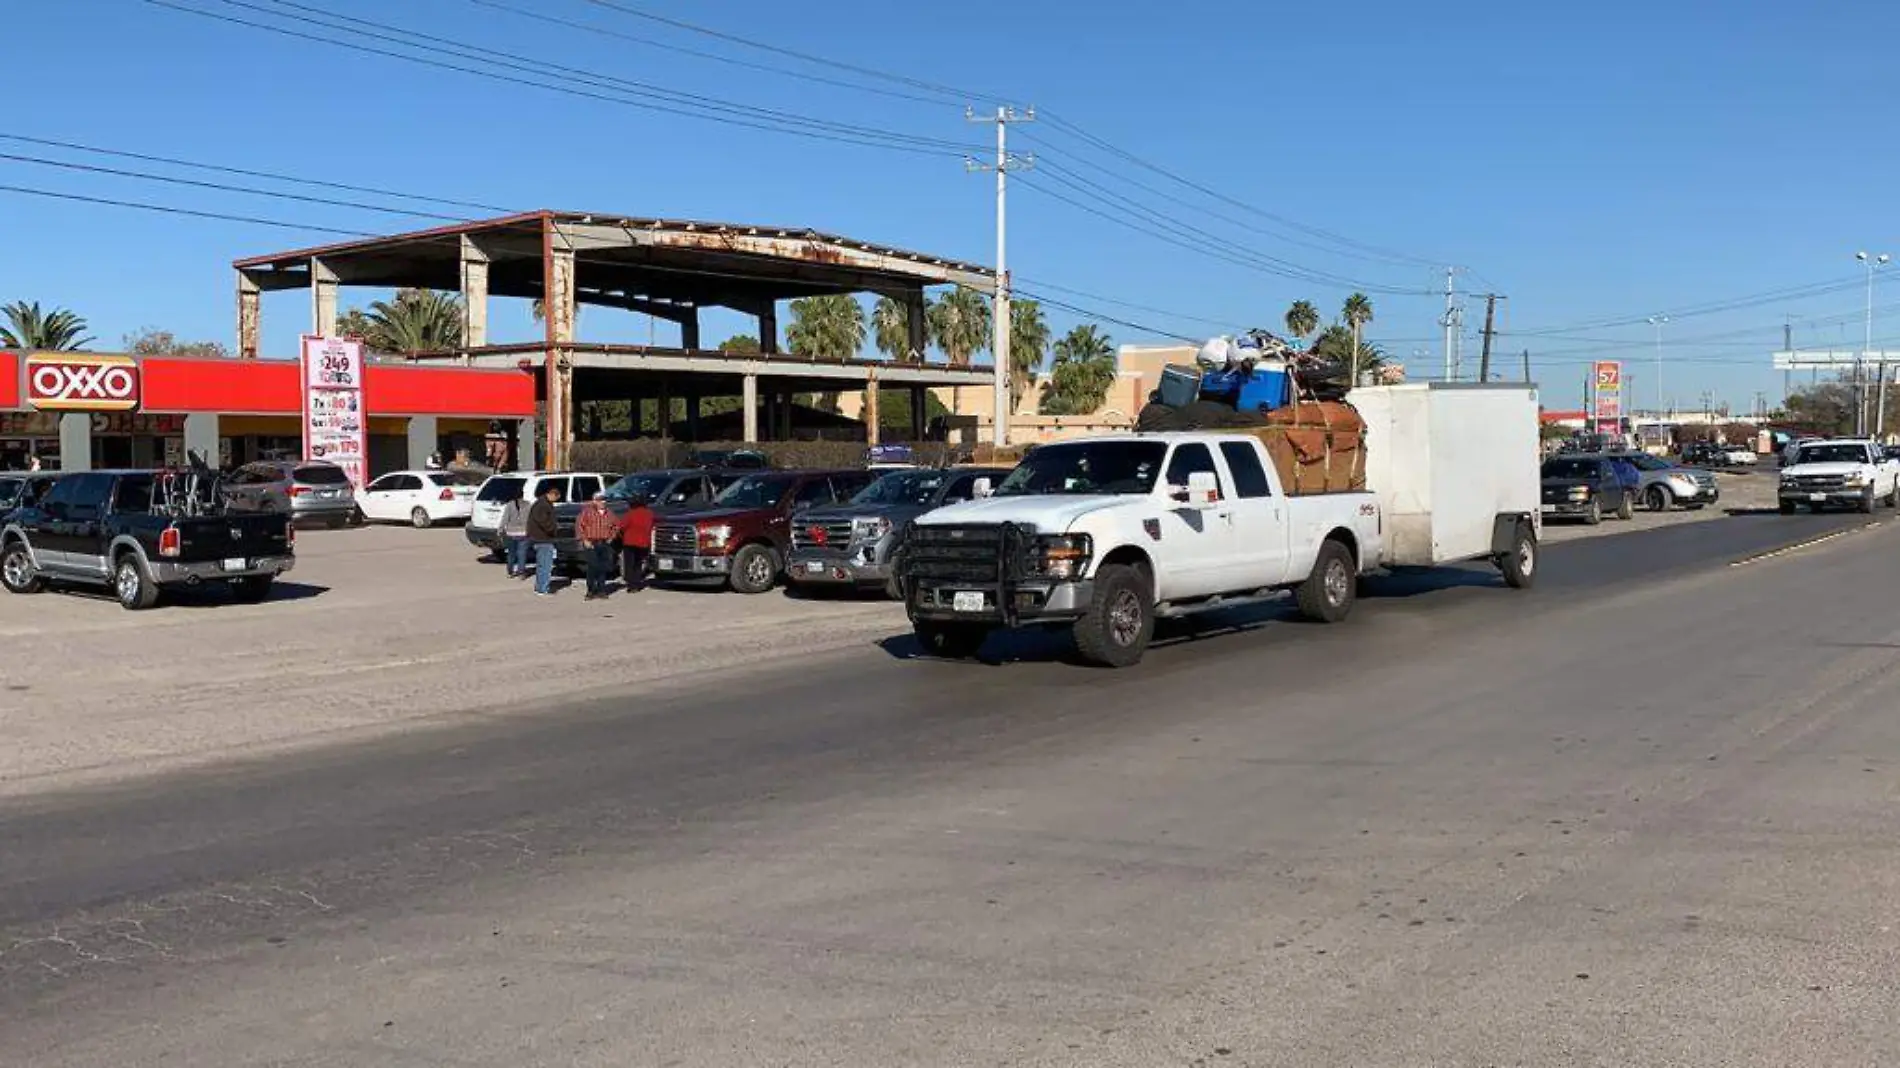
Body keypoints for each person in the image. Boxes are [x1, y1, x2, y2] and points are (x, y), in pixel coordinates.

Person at [575, 491, 619, 601]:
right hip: (591, 543)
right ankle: (590, 590)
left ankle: (602, 590)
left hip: (604, 543)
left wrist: (611, 537)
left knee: (602, 567)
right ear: (594, 501)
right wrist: (585, 540)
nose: (602, 502)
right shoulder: (586, 512)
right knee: (592, 567)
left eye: (604, 499)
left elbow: (616, 526)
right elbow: (579, 526)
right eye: (599, 500)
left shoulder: (610, 513)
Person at [526, 482, 562, 596]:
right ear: (552, 494)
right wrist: (554, 529)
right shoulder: (543, 505)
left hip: (540, 538)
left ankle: (540, 587)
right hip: (543, 539)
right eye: (556, 498)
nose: (555, 501)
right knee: (545, 565)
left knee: (542, 564)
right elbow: (544, 522)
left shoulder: (541, 504)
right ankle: (543, 588)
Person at [617, 492, 655, 593]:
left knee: (629, 564)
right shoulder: (649, 513)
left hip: (629, 542)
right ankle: (636, 584)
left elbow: (622, 526)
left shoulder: (630, 513)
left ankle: (631, 585)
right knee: (638, 564)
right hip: (643, 542)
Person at [499, 488, 531, 578]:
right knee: (522, 553)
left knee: (511, 553)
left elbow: (505, 519)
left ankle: (510, 571)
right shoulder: (528, 505)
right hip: (524, 533)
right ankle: (521, 572)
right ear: (523, 495)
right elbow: (531, 519)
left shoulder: (509, 505)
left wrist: (500, 529)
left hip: (511, 533)